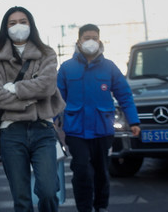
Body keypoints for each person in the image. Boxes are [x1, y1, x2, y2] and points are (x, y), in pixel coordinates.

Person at [0, 6, 66, 212]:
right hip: (11, 132)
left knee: (48, 191)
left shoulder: (46, 53)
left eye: (23, 21)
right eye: (12, 23)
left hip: (43, 130)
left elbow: (47, 86)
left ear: (31, 24)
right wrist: (31, 97)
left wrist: (14, 88)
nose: (18, 26)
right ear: (5, 28)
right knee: (21, 198)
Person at [57, 24, 140, 212]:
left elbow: (124, 95)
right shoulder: (66, 68)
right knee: (81, 171)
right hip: (76, 131)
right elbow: (57, 98)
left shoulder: (109, 67)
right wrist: (50, 121)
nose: (91, 41)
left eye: (94, 37)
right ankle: (84, 208)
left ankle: (101, 206)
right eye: (87, 38)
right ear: (78, 41)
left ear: (100, 40)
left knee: (102, 172)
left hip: (103, 130)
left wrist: (133, 121)